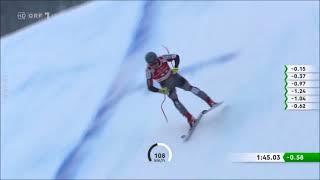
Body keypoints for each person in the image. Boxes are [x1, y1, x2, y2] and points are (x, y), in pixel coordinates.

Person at [145, 51, 216, 128]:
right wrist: (160, 90)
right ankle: (190, 118)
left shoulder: (163, 58)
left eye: (154, 63)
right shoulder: (148, 71)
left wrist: (176, 67)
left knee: (190, 88)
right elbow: (150, 87)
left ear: (157, 59)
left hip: (175, 77)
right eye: (151, 64)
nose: (154, 65)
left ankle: (210, 101)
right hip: (165, 84)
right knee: (175, 100)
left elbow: (176, 56)